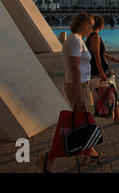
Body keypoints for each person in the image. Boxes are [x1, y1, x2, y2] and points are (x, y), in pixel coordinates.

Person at [35, 12, 102, 173]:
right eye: (91, 25)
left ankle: (89, 152)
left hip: (79, 85)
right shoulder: (74, 41)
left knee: (84, 122)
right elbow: (75, 69)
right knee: (78, 124)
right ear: (85, 24)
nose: (91, 28)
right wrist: (79, 94)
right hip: (77, 86)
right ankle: (48, 157)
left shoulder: (76, 39)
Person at [86, 15, 119, 123]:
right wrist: (102, 74)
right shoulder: (95, 37)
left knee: (109, 93)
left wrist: (114, 59)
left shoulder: (89, 36)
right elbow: (97, 56)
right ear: (101, 25)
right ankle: (116, 117)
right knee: (111, 92)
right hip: (102, 71)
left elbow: (102, 53)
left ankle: (117, 116)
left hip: (97, 70)